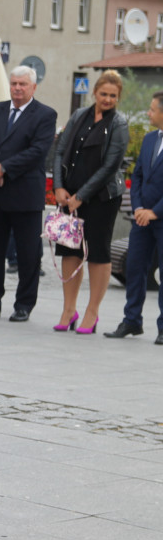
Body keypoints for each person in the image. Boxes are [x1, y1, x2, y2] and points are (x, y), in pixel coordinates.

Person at [0, 66, 57, 322]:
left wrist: (4, 168)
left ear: (33, 87)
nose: (17, 88)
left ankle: (24, 305)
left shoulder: (45, 115)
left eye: (23, 84)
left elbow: (38, 151)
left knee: (28, 254)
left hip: (23, 194)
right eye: (14, 83)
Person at [48, 71, 128, 334]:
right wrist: (59, 186)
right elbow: (59, 150)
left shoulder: (119, 123)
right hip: (68, 194)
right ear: (94, 92)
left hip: (102, 198)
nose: (107, 99)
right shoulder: (78, 115)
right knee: (69, 251)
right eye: (103, 94)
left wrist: (81, 196)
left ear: (118, 97)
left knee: (97, 252)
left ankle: (92, 312)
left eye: (112, 96)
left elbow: (110, 166)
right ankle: (69, 309)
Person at [106, 91, 163, 343]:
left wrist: (155, 211)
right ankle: (131, 320)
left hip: (159, 217)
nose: (149, 113)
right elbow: (138, 175)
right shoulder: (151, 139)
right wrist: (139, 207)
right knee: (135, 267)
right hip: (142, 218)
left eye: (152, 109)